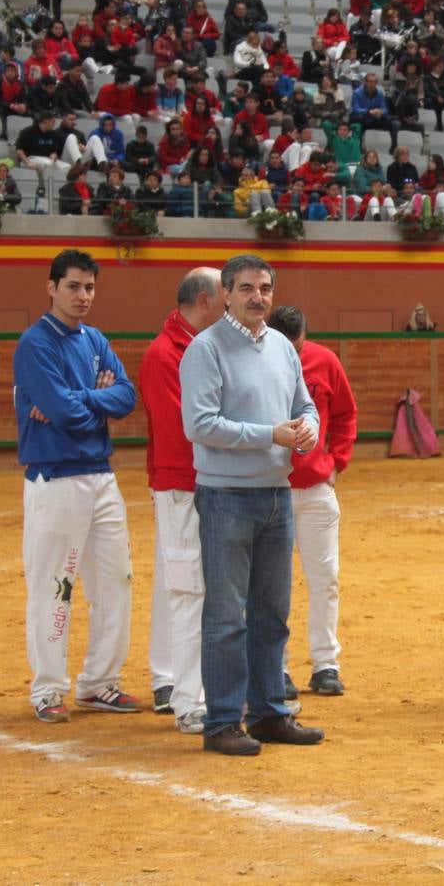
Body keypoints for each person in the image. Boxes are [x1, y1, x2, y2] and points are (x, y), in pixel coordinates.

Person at [180, 254, 323, 756]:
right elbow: (199, 425)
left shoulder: (282, 345)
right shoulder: (205, 349)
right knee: (226, 618)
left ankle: (267, 714)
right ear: (225, 294)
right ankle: (221, 722)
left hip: (276, 495)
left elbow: (304, 405)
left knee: (272, 614)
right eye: (246, 288)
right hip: (225, 496)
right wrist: (272, 434)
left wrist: (309, 431)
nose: (257, 296)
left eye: (264, 287)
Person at [13, 250, 140, 724]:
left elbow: (125, 396)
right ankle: (48, 689)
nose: (83, 295)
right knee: (56, 586)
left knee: (116, 581)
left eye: (89, 287)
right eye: (73, 286)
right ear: (51, 288)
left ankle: (99, 683)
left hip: (100, 477)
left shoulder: (94, 338)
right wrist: (93, 402)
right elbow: (64, 414)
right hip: (56, 477)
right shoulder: (35, 344)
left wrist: (81, 398)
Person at [141, 268, 225, 735]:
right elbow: (183, 430)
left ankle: (175, 684)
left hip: (201, 482)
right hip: (184, 484)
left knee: (183, 583)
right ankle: (178, 690)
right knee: (185, 586)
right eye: (225, 296)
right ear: (204, 301)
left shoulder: (199, 348)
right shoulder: (163, 355)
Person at [268, 306, 358, 698]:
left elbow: (345, 414)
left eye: (298, 346)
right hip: (271, 488)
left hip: (317, 487)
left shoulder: (325, 360)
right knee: (273, 585)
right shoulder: (257, 362)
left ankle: (326, 665)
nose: (293, 353)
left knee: (326, 579)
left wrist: (336, 461)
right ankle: (277, 667)